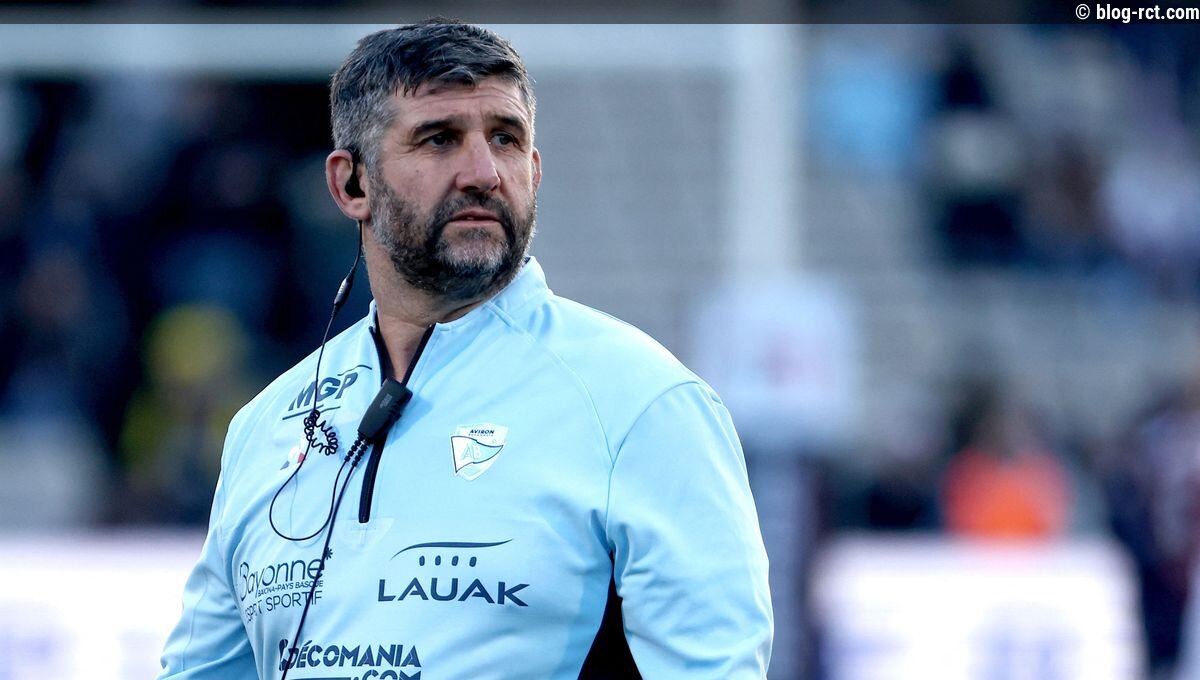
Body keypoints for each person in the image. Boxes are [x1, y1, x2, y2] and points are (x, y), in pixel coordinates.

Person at [158, 21, 773, 680]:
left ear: (534, 170)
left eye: (506, 139)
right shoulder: (265, 426)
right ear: (352, 185)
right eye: (439, 139)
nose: (483, 173)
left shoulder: (643, 403)